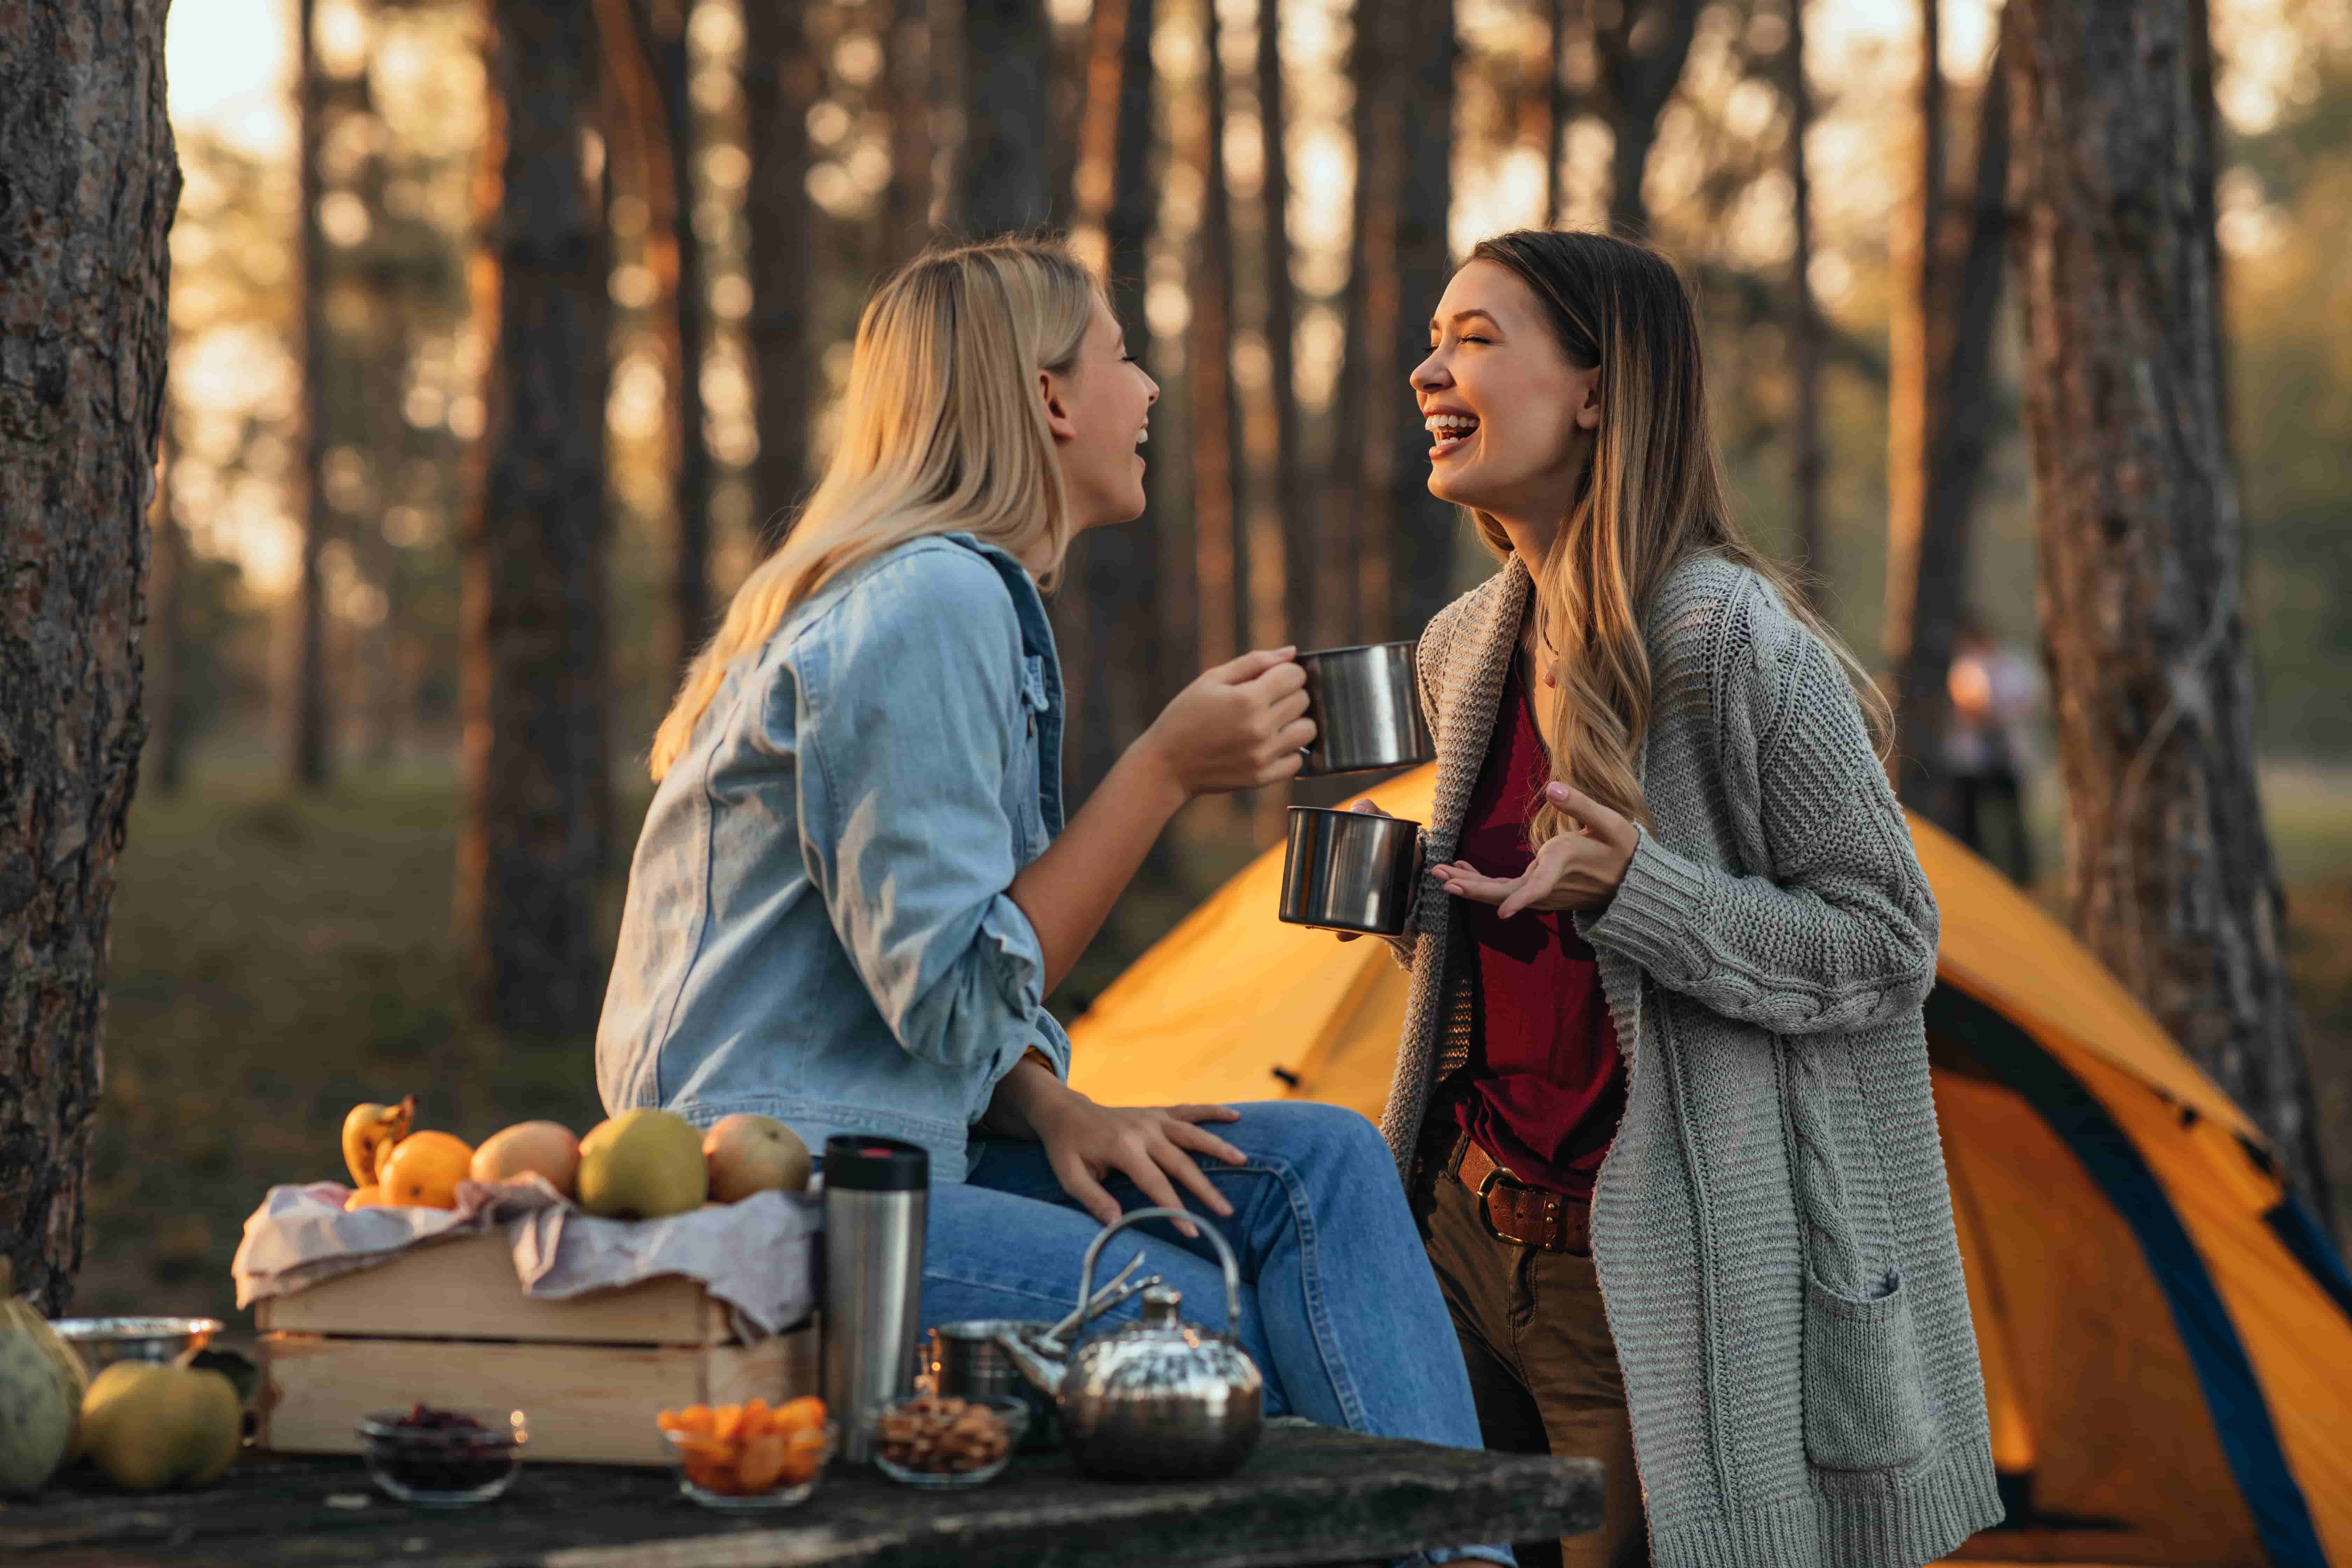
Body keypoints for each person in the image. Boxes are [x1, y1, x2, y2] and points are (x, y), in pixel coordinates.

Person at [594, 239, 1512, 1567]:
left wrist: (1052, 1101)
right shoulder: (930, 600)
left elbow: (909, 958)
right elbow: (956, 983)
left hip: (902, 1151)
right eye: (1120, 356)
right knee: (1192, 1336)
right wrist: (1160, 772)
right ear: (1045, 398)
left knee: (1322, 1161)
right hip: (776, 1206)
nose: (1147, 391)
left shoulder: (957, 598)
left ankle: (1457, 1557)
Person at [1356, 230, 2002, 1568]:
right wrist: (1409, 901)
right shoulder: (1459, 647)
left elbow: (1886, 946)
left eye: (1474, 338)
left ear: (1597, 389)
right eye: (1432, 337)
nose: (1427, 369)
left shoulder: (1726, 642)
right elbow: (1531, 970)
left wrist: (1644, 893)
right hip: (1454, 1236)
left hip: (1646, 1272)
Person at [1942, 619, 2041, 885]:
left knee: (2012, 821)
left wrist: (1993, 713)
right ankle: (1974, 876)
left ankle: (2022, 879)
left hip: (2007, 756)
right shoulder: (1966, 667)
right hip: (1971, 761)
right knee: (1969, 824)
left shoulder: (2014, 665)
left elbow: (2026, 703)